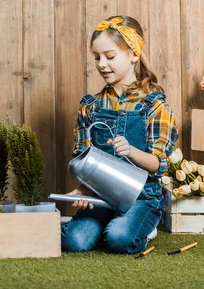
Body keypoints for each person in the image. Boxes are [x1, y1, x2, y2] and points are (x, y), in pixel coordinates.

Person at [61, 15, 178, 255]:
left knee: (119, 239)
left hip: (142, 197)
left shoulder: (155, 107)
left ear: (133, 54)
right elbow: (84, 160)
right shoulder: (91, 106)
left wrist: (132, 152)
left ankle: (140, 226)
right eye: (97, 57)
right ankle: (115, 222)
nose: (101, 64)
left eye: (110, 56)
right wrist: (83, 191)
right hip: (102, 194)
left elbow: (159, 165)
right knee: (74, 242)